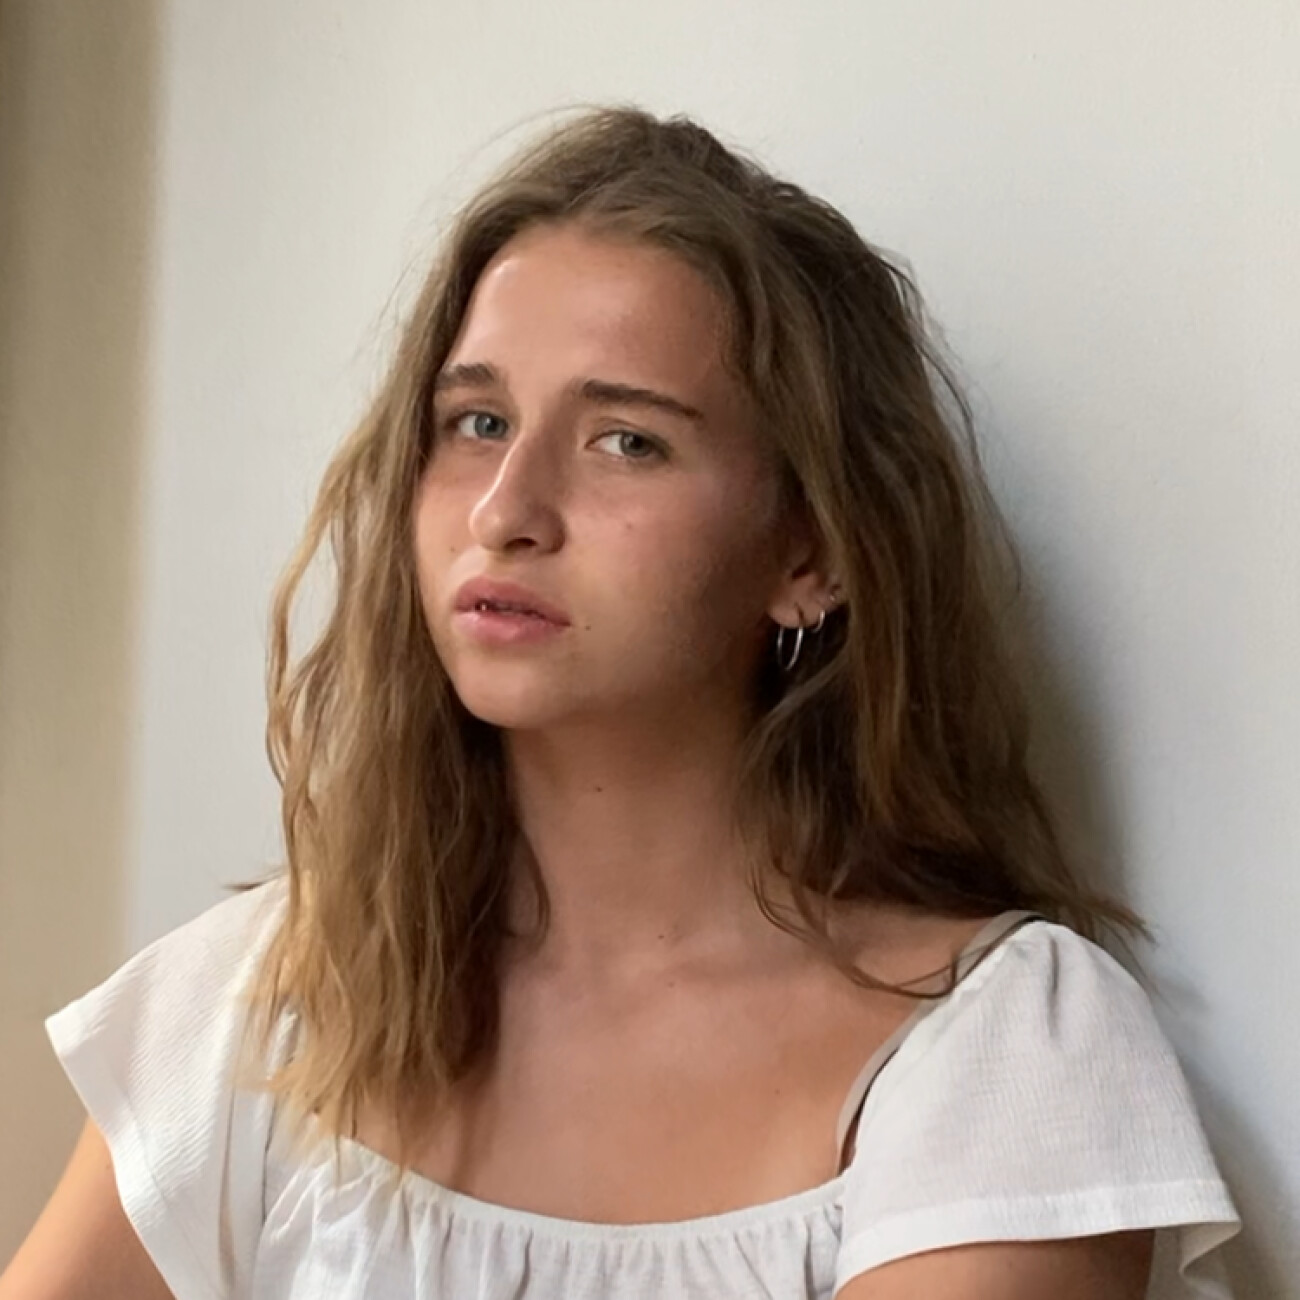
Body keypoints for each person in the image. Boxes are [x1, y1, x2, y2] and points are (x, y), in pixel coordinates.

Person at [5, 105, 1240, 1300]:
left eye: (626, 441)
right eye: (475, 421)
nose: (506, 509)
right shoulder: (266, 1005)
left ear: (812, 549)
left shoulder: (1002, 1053)